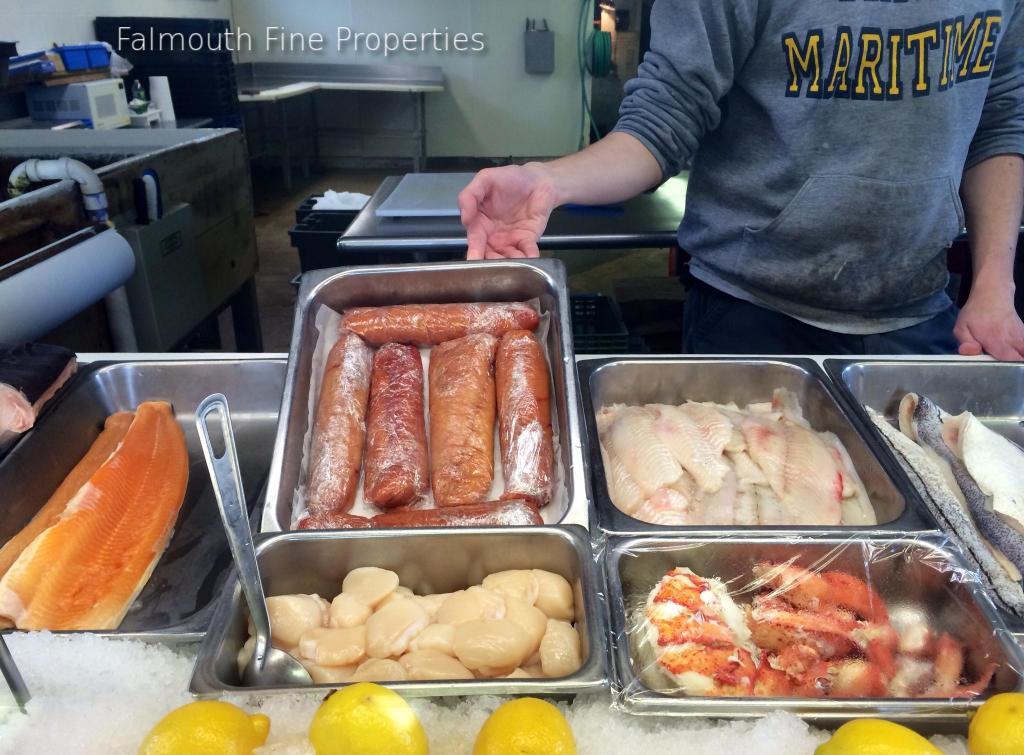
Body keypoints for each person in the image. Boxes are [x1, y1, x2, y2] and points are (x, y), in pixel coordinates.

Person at [458, 0, 1024, 358]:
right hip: (749, 313)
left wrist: (994, 284)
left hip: (919, 309)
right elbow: (665, 117)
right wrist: (548, 180)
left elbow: (1001, 120)